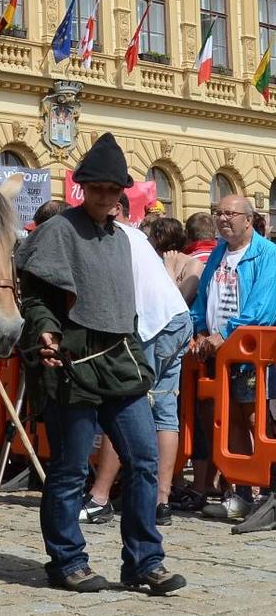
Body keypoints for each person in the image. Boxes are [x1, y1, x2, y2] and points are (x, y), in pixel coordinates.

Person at [16, 132, 184, 594]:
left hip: (119, 358)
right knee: (70, 469)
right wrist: (45, 329)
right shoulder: (57, 231)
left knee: (144, 459)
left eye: (114, 190)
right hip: (73, 359)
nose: (106, 197)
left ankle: (144, 562)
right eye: (98, 188)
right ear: (82, 187)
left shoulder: (121, 238)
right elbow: (34, 296)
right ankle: (67, 561)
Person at [80, 195, 192, 527]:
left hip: (155, 324)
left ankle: (100, 497)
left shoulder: (115, 236)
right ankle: (161, 501)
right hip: (176, 318)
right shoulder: (137, 236)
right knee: (164, 411)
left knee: (125, 404)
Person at [189, 195, 276, 519]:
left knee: (257, 418)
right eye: (218, 213)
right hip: (219, 352)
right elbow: (203, 297)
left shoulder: (267, 255)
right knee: (232, 420)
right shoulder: (218, 253)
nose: (223, 218)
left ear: (248, 219)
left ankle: (267, 491)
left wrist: (225, 333)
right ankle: (240, 490)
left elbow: (263, 306)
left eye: (230, 213)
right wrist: (199, 329)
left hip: (251, 352)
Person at [148, 217, 202, 305]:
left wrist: (169, 269)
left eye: (151, 236)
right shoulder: (153, 261)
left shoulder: (193, 264)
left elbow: (181, 303)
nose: (147, 240)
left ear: (160, 238)